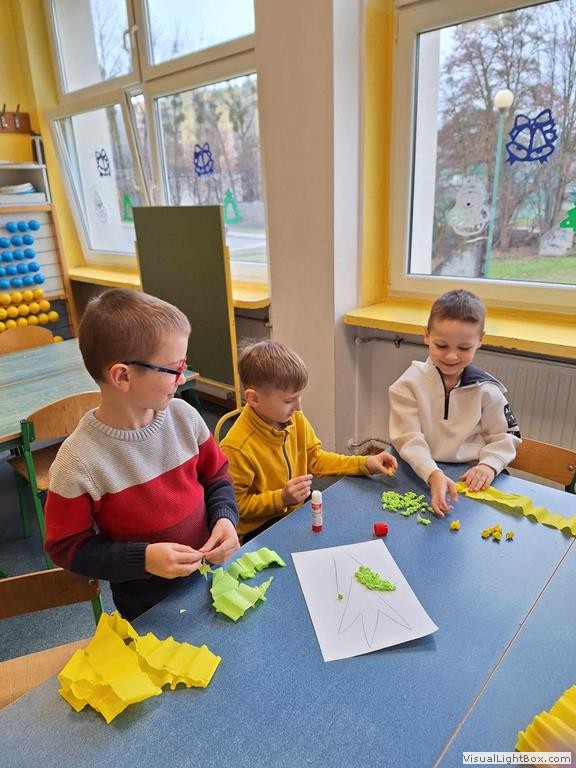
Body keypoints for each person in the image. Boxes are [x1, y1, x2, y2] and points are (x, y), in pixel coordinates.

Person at [44, 288, 239, 620]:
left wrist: (224, 517)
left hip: (211, 578)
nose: (182, 377)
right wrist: (143, 559)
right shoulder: (78, 461)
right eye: (174, 369)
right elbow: (66, 547)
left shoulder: (184, 417)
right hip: (147, 605)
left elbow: (217, 475)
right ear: (122, 376)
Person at [220, 340, 397, 540]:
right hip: (259, 529)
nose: (298, 407)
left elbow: (316, 459)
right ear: (253, 398)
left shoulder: (293, 417)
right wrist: (280, 498)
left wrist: (365, 463)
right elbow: (235, 506)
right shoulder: (237, 447)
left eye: (299, 397)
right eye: (288, 400)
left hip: (293, 510)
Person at [388, 289, 521, 516]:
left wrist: (489, 465)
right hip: (417, 472)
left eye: (464, 348)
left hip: (470, 477)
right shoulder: (406, 386)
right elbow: (408, 439)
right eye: (442, 345)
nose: (451, 356)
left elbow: (505, 436)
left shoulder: (487, 390)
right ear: (426, 335)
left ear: (480, 341)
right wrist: (433, 474)